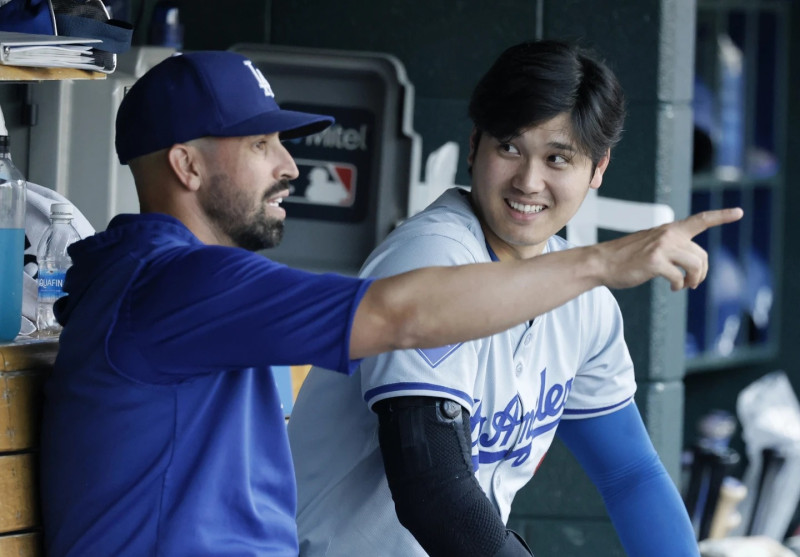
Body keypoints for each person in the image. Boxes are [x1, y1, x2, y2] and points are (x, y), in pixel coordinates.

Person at [38, 50, 738, 557]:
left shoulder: (189, 282)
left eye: (559, 158)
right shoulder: (174, 286)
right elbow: (397, 318)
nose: (289, 166)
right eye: (261, 143)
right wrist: (604, 261)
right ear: (187, 167)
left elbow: (630, 469)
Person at [289, 40, 716, 557]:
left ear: (598, 169)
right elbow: (431, 485)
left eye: (558, 158)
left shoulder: (583, 301)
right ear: (474, 146)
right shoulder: (431, 256)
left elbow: (630, 475)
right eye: (509, 148)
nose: (528, 182)